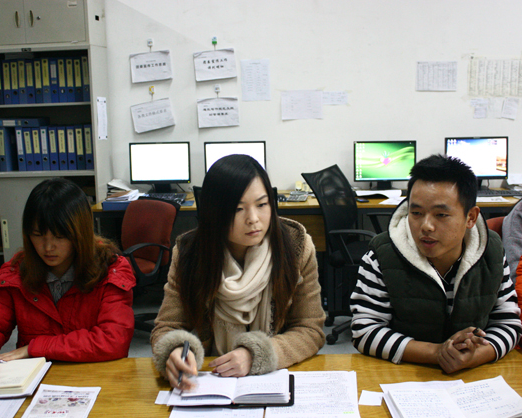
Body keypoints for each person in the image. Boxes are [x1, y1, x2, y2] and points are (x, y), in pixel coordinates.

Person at [151, 154, 325, 389]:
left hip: (276, 378)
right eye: (238, 209)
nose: (253, 219)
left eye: (262, 205)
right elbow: (167, 326)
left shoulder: (296, 247)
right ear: (214, 212)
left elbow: (310, 329)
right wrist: (174, 351)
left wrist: (257, 355)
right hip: (213, 380)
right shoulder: (190, 252)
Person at [0, 178, 136, 380]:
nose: (47, 247)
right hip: (34, 381)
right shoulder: (15, 274)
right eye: (38, 235)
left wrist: (34, 348)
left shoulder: (110, 269)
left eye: (59, 236)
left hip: (94, 378)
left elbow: (113, 339)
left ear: (80, 232)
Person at [350, 154, 521, 373]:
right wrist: (437, 353)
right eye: (416, 213)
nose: (426, 226)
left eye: (441, 215)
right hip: (403, 374)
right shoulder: (382, 254)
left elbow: (508, 323)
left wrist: (474, 356)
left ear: (470, 217)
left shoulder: (491, 251)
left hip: (472, 376)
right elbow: (364, 331)